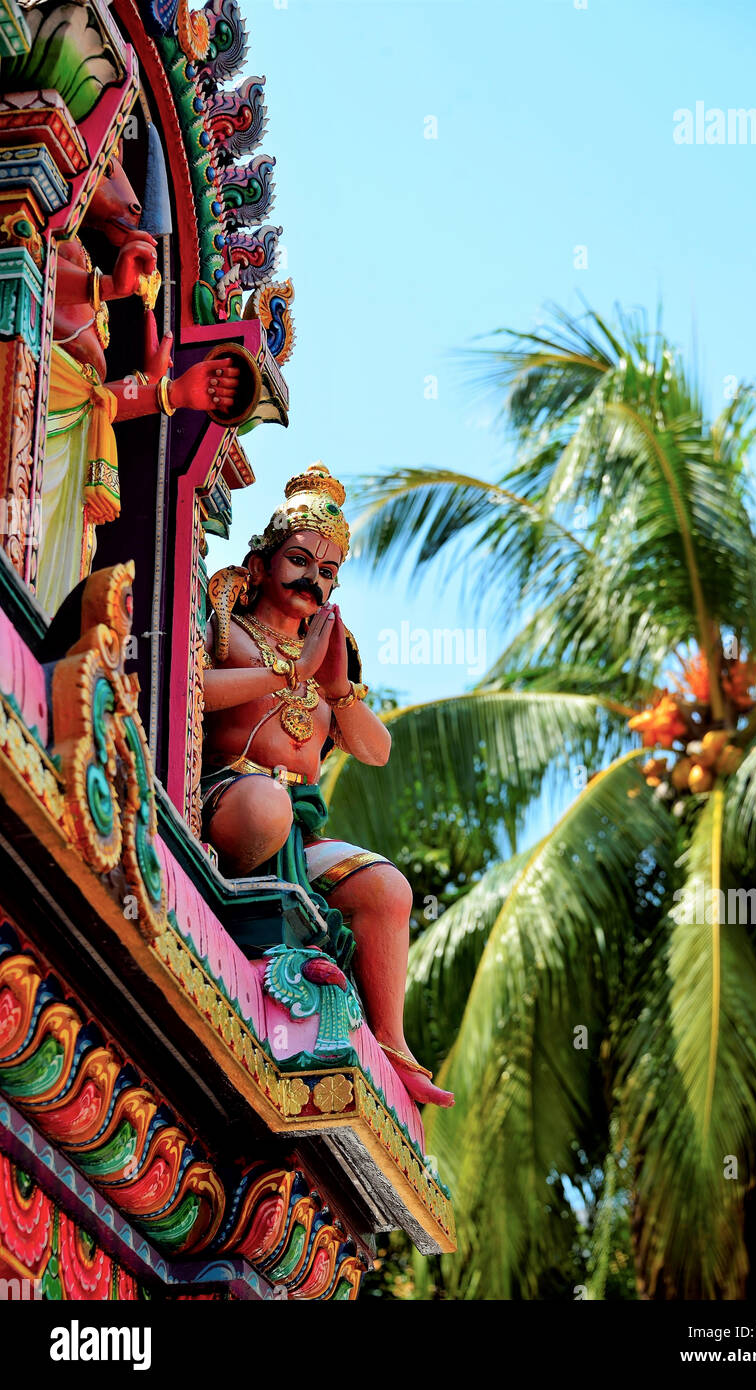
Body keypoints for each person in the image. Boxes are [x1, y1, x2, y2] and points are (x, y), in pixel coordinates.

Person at [202, 462, 454, 1108]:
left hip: (299, 825)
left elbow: (376, 748)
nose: (312, 579)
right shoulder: (227, 629)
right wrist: (292, 674)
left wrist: (334, 688)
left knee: (388, 889)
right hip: (231, 800)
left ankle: (393, 1045)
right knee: (265, 810)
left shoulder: (327, 660)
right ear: (258, 565)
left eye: (327, 572)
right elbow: (193, 690)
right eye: (298, 560)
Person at [39, 139, 240, 614]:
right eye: (107, 169)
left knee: (51, 582)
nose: (133, 201)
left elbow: (96, 400)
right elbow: (27, 283)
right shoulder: (37, 227)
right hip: (29, 421)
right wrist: (106, 287)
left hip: (65, 441)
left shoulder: (83, 261)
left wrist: (166, 393)